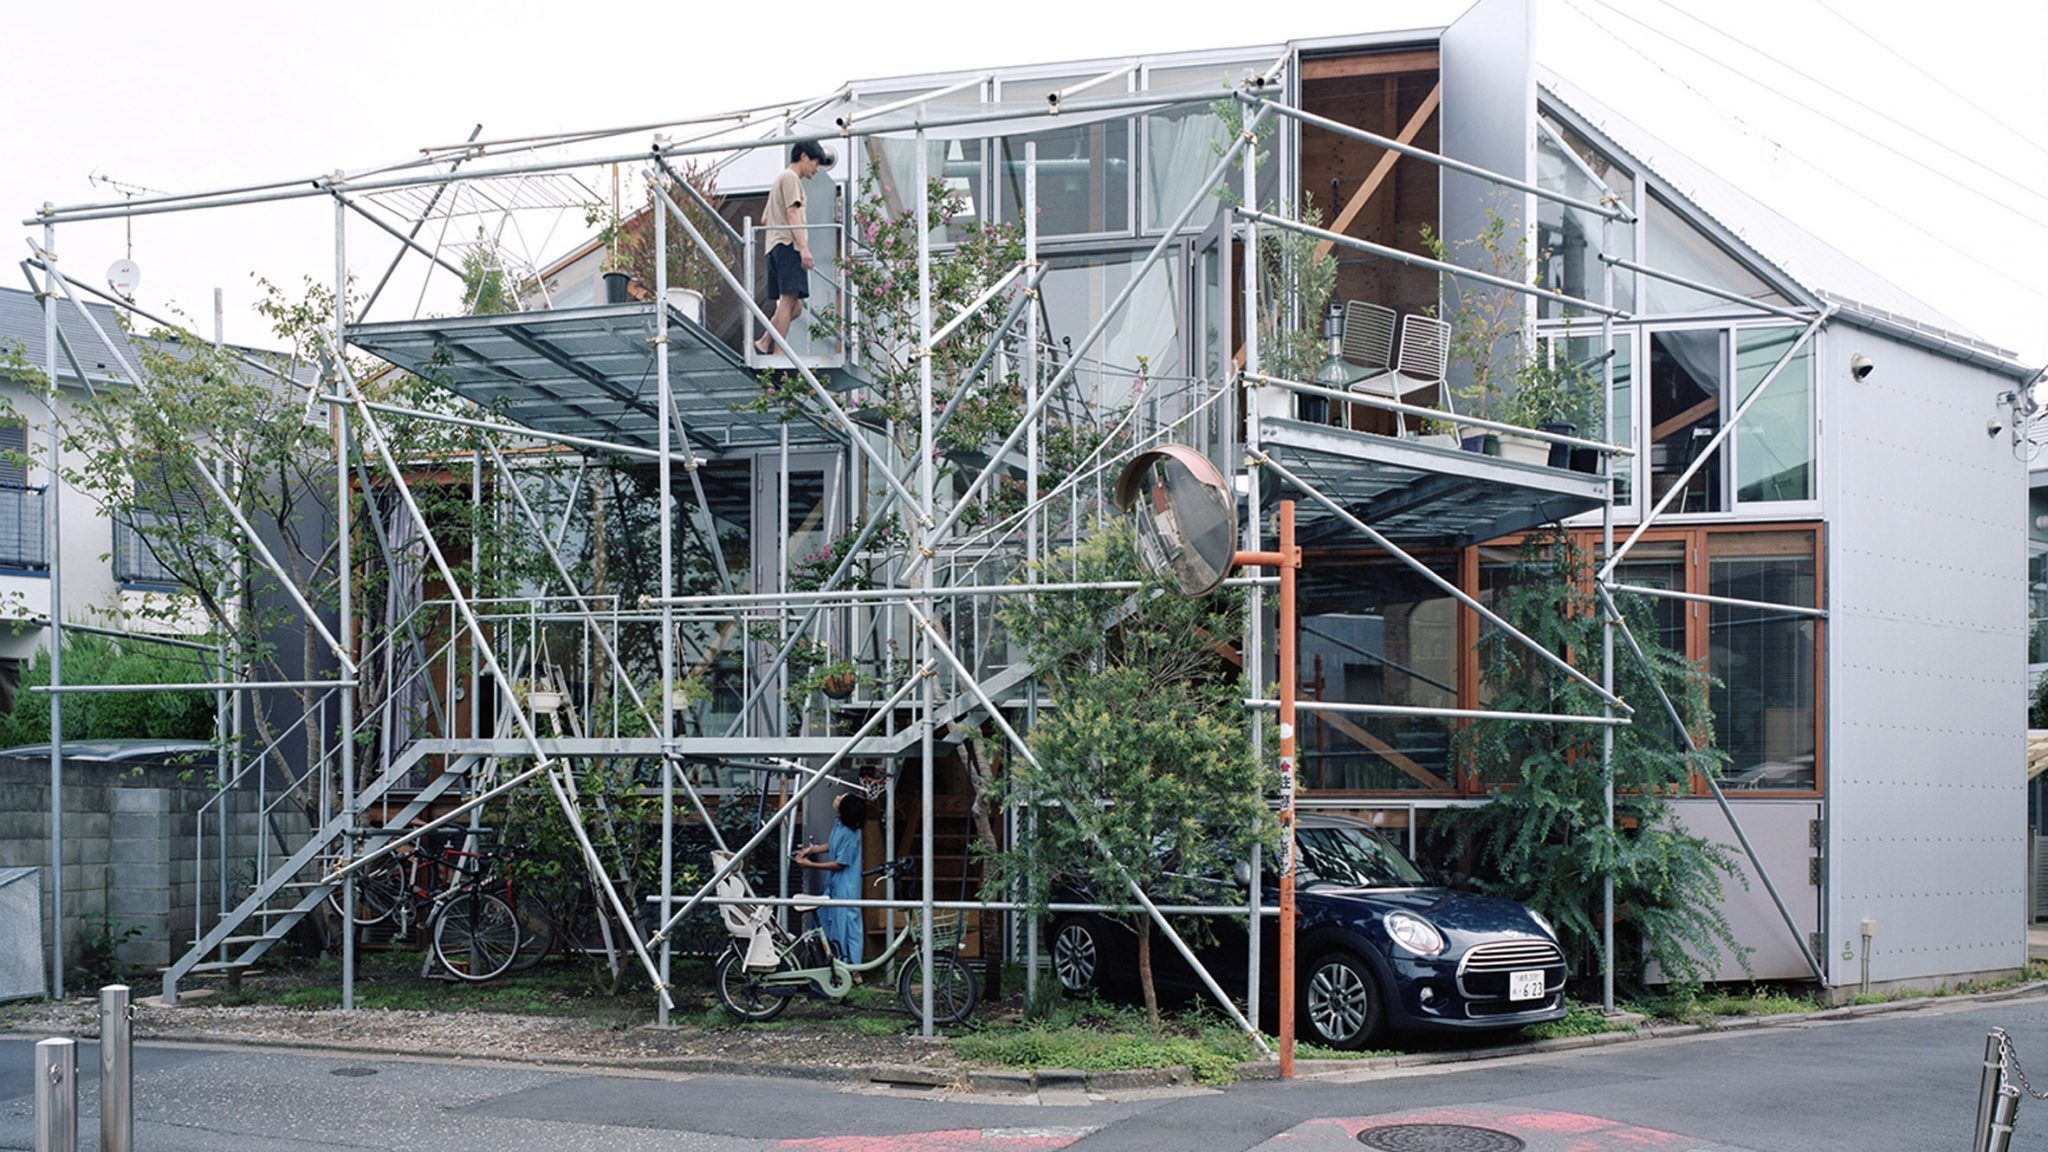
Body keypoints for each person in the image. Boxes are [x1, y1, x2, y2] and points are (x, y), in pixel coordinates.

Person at [754, 140, 833, 356]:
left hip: (775, 246)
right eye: (816, 162)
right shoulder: (791, 178)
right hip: (788, 245)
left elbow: (764, 218)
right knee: (788, 300)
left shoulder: (779, 180)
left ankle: (764, 340)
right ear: (805, 156)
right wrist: (804, 248)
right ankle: (778, 352)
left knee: (794, 306)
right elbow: (793, 212)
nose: (816, 169)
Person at [793, 790, 867, 964]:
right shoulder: (840, 824)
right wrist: (811, 849)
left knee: (848, 926)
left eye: (841, 798)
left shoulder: (851, 833)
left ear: (844, 809)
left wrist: (811, 865)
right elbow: (833, 845)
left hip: (846, 887)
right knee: (831, 922)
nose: (837, 797)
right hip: (835, 883)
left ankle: (851, 967)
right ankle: (834, 962)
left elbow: (840, 863)